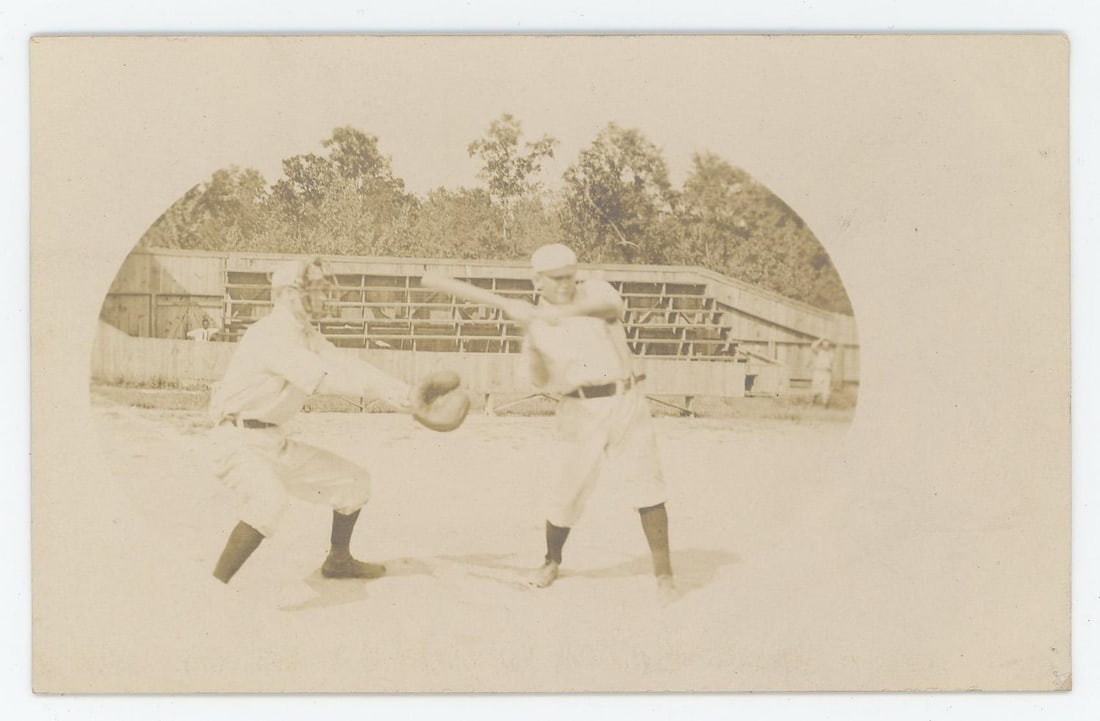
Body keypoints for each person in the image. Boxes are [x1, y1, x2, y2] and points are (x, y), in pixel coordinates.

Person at [208, 257, 424, 584]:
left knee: (354, 483)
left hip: (272, 441)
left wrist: (404, 392)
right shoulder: (271, 334)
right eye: (318, 289)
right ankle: (213, 586)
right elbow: (325, 379)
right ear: (291, 294)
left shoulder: (304, 333)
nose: (325, 296)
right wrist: (399, 401)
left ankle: (339, 561)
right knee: (270, 503)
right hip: (236, 443)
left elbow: (345, 362)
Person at [502, 243, 677, 604]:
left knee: (647, 482)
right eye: (557, 279)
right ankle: (551, 561)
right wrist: (531, 335)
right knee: (564, 490)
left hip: (625, 400)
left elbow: (612, 309)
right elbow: (537, 379)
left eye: (570, 276)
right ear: (538, 282)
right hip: (578, 409)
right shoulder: (537, 325)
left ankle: (664, 576)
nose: (567, 284)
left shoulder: (594, 291)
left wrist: (562, 313)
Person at [810, 337, 835, 408]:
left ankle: (825, 404)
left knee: (826, 389)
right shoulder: (818, 352)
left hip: (826, 372)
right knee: (816, 387)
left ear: (829, 346)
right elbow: (813, 346)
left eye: (827, 345)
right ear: (821, 345)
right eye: (824, 345)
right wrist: (821, 339)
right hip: (818, 371)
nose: (826, 346)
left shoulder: (831, 353)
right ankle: (813, 402)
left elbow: (831, 364)